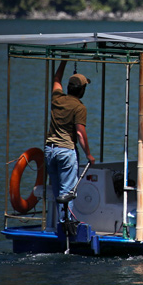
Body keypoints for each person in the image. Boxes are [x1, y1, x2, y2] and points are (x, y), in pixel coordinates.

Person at [44, 59, 96, 222]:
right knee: (67, 192)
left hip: (49, 150)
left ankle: (57, 223)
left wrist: (63, 61)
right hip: (66, 151)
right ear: (81, 91)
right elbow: (80, 133)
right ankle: (65, 226)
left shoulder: (57, 99)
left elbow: (56, 79)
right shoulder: (79, 107)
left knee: (57, 190)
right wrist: (89, 154)